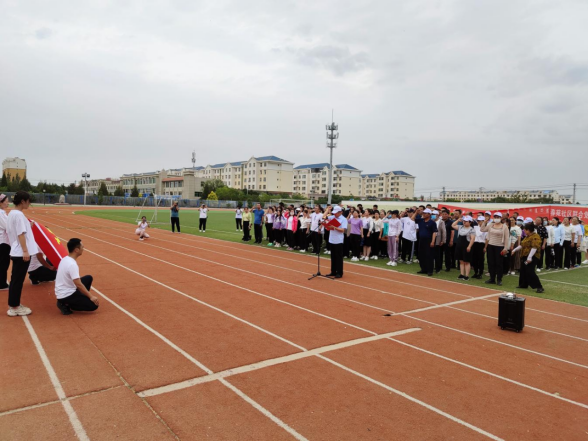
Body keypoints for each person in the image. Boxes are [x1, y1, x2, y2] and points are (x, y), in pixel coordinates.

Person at [6, 191, 38, 316]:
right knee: (17, 281)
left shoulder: (12, 213)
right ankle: (14, 307)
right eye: (28, 201)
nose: (29, 203)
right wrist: (25, 250)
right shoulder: (18, 215)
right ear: (23, 201)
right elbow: (20, 233)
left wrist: (28, 226)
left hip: (17, 251)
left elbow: (18, 230)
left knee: (16, 280)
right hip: (20, 253)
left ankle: (14, 304)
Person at [55, 238, 99, 315]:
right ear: (76, 250)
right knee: (93, 306)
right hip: (66, 295)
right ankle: (66, 304)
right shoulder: (72, 264)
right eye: (82, 247)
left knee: (88, 278)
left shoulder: (65, 259)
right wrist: (91, 296)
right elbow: (78, 284)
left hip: (63, 291)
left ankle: (78, 299)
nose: (83, 248)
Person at [512, 224, 544, 293]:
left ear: (528, 230)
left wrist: (529, 257)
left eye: (525, 230)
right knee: (523, 270)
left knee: (530, 271)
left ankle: (539, 286)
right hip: (525, 255)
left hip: (533, 256)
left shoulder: (536, 237)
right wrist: (514, 250)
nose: (524, 231)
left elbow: (534, 247)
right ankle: (523, 284)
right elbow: (522, 245)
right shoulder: (527, 237)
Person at [480, 212, 510, 286]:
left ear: (501, 218)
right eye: (495, 217)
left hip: (499, 246)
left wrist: (505, 248)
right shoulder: (491, 225)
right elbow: (482, 229)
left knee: (499, 264)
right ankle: (492, 278)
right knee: (491, 263)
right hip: (490, 245)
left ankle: (499, 279)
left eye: (498, 217)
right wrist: (485, 222)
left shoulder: (504, 227)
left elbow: (506, 238)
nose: (496, 218)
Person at [410, 208, 438, 276]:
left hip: (429, 240)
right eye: (423, 213)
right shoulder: (421, 220)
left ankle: (430, 270)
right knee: (421, 255)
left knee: (429, 255)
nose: (424, 214)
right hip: (421, 240)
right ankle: (423, 269)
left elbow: (434, 232)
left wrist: (433, 241)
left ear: (429, 214)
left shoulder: (432, 222)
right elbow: (412, 218)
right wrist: (416, 212)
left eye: (425, 213)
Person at [324, 206, 348, 278]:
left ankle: (339, 272)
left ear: (340, 212)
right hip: (332, 239)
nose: (335, 214)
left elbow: (343, 230)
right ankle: (333, 271)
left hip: (338, 240)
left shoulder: (343, 219)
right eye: (334, 213)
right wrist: (327, 210)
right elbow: (324, 217)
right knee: (333, 257)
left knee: (338, 257)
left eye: (336, 213)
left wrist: (334, 227)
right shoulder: (332, 217)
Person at [452, 215, 475, 280]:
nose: (464, 222)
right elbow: (453, 225)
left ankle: (466, 276)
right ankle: (462, 274)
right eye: (464, 221)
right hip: (459, 246)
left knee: (467, 261)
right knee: (461, 261)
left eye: (466, 221)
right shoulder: (460, 227)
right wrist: (458, 220)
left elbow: (472, 239)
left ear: (470, 222)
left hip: (466, 246)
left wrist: (469, 246)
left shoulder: (471, 229)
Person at [0, 194, 10, 291]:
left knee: (3, 262)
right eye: (6, 201)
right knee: (3, 263)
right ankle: (2, 284)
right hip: (3, 242)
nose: (8, 203)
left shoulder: (2, 213)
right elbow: (8, 226)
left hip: (3, 242)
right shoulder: (0, 213)